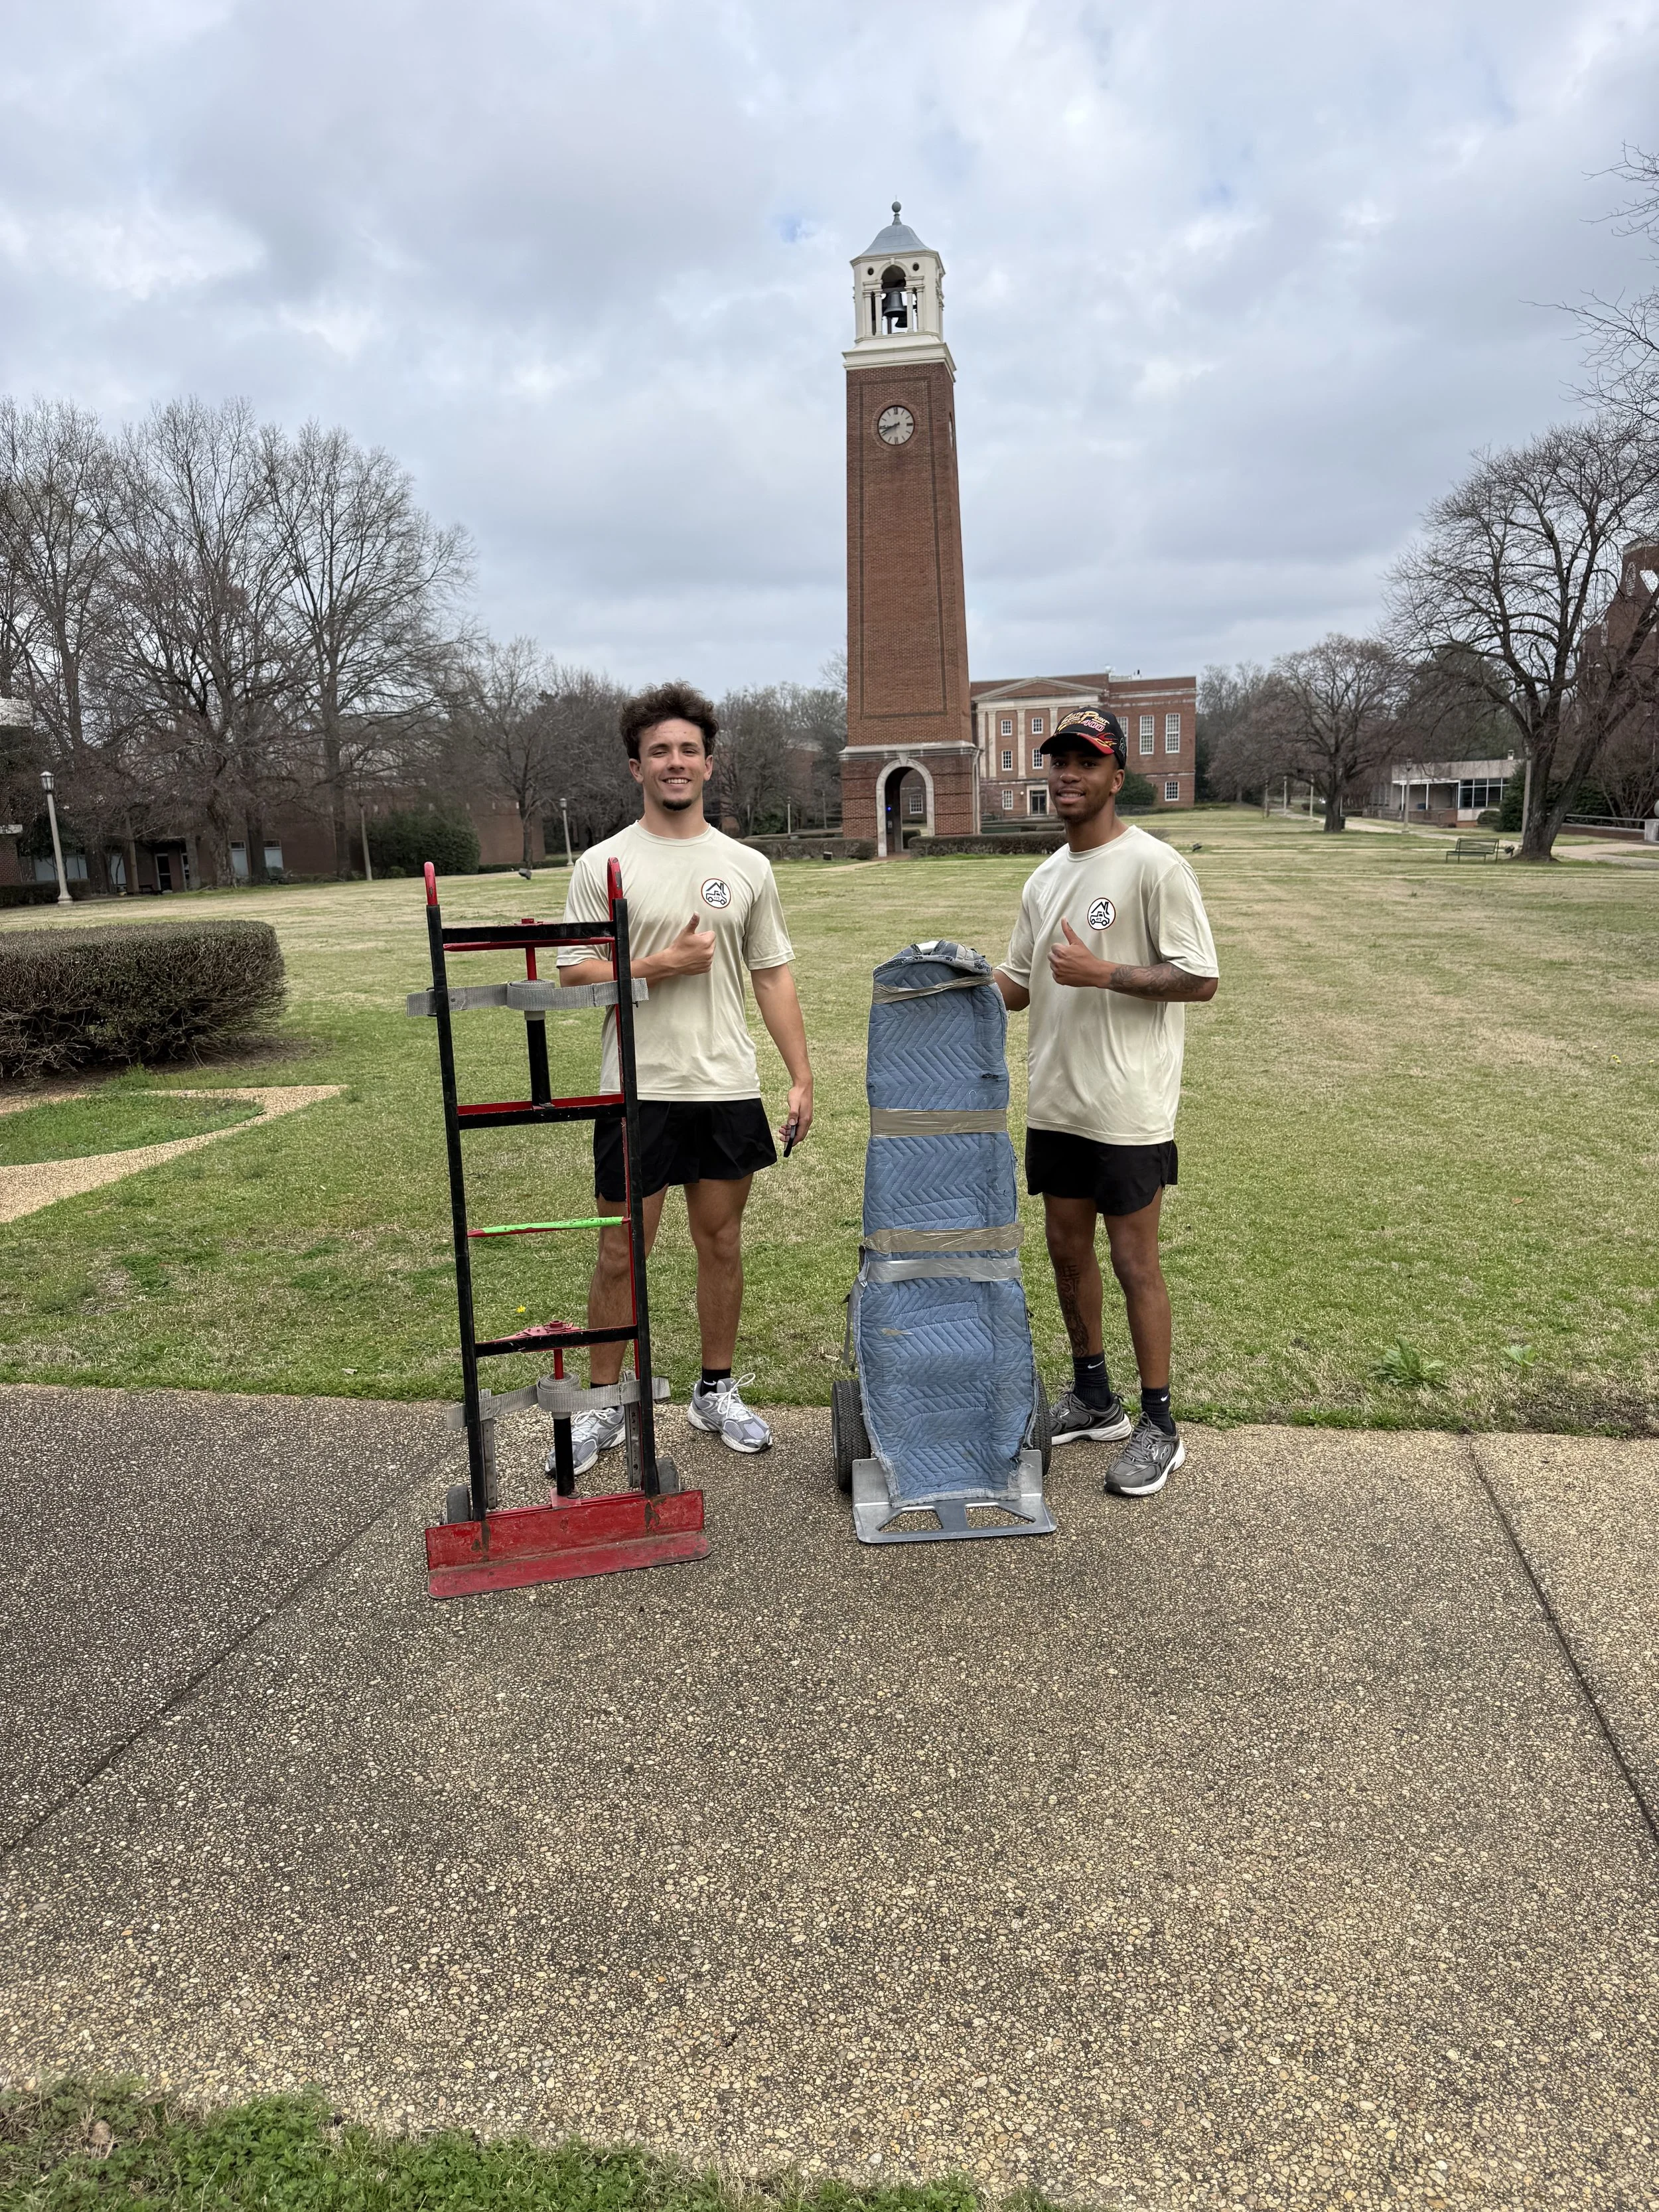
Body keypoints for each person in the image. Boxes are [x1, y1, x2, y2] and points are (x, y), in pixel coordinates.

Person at [554, 680, 813, 1467]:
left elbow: (771, 975)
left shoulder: (745, 866)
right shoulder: (603, 863)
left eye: (688, 750)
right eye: (659, 750)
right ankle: (604, 1405)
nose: (675, 762)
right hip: (635, 1089)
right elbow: (572, 974)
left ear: (710, 763)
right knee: (619, 1252)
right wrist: (658, 965)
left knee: (721, 1242)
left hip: (726, 1086)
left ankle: (714, 1390)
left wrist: (799, 1077)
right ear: (636, 767)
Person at [994, 708, 1218, 1497]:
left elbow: (1200, 977)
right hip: (1057, 1102)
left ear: (1116, 778)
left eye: (1084, 764)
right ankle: (1094, 1397)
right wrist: (942, 977)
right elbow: (1016, 987)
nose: (1066, 776)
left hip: (1127, 1108)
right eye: (1057, 762)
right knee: (1065, 1254)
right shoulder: (1044, 877)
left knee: (1133, 1262)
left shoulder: (1152, 866)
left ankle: (1160, 1424)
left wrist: (1107, 974)